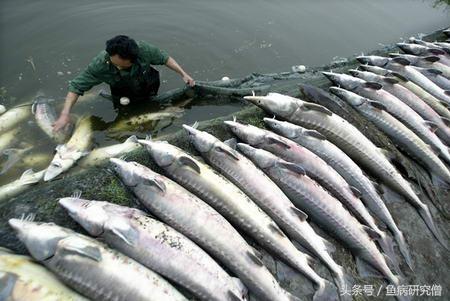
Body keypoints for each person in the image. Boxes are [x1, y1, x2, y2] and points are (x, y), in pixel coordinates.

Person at [53, 35, 195, 132]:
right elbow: (76, 86)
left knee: (151, 101)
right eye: (115, 65)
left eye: (123, 66)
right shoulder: (100, 64)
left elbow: (165, 59)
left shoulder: (144, 50)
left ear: (133, 59)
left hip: (148, 80)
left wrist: (183, 74)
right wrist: (65, 114)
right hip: (121, 89)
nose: (118, 67)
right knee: (124, 111)